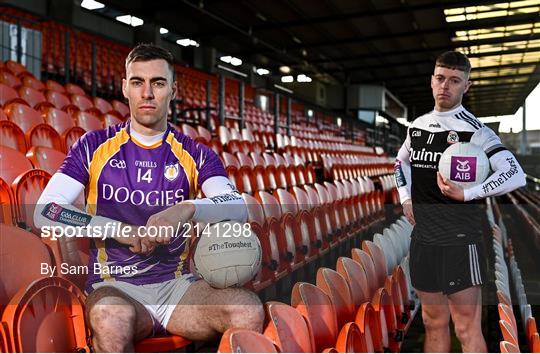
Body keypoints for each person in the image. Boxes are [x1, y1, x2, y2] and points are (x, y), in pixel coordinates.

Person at [34, 43, 263, 352]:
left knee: (246, 308)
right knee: (111, 317)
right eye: (138, 82)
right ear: (125, 88)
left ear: (173, 90)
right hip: (114, 285)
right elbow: (45, 211)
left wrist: (186, 209)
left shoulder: (196, 153)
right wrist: (118, 230)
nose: (147, 93)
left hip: (179, 288)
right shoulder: (93, 145)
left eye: (157, 83)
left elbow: (236, 207)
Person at [394, 51, 526, 352]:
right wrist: (405, 199)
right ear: (431, 81)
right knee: (431, 322)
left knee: (466, 328)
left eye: (454, 81)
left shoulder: (476, 131)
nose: (445, 86)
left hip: (460, 241)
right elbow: (400, 163)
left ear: (466, 86)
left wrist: (468, 194)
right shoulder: (418, 126)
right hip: (423, 239)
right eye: (440, 79)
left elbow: (515, 174)